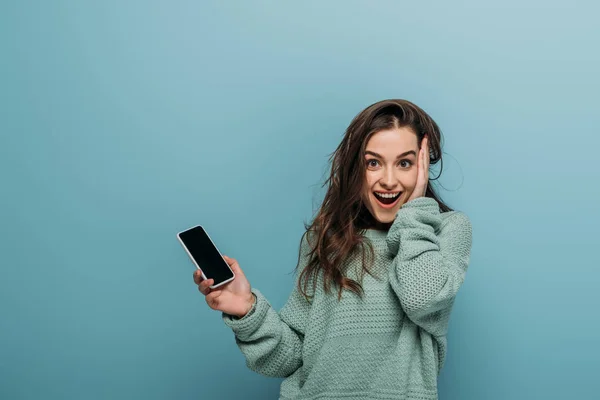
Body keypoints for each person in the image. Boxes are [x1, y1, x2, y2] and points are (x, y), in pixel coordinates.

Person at [193, 99, 473, 400]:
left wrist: (416, 213)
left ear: (422, 166)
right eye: (373, 163)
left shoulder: (445, 230)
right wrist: (247, 307)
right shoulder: (324, 239)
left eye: (404, 163)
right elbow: (292, 357)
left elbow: (422, 298)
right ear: (355, 167)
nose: (389, 181)